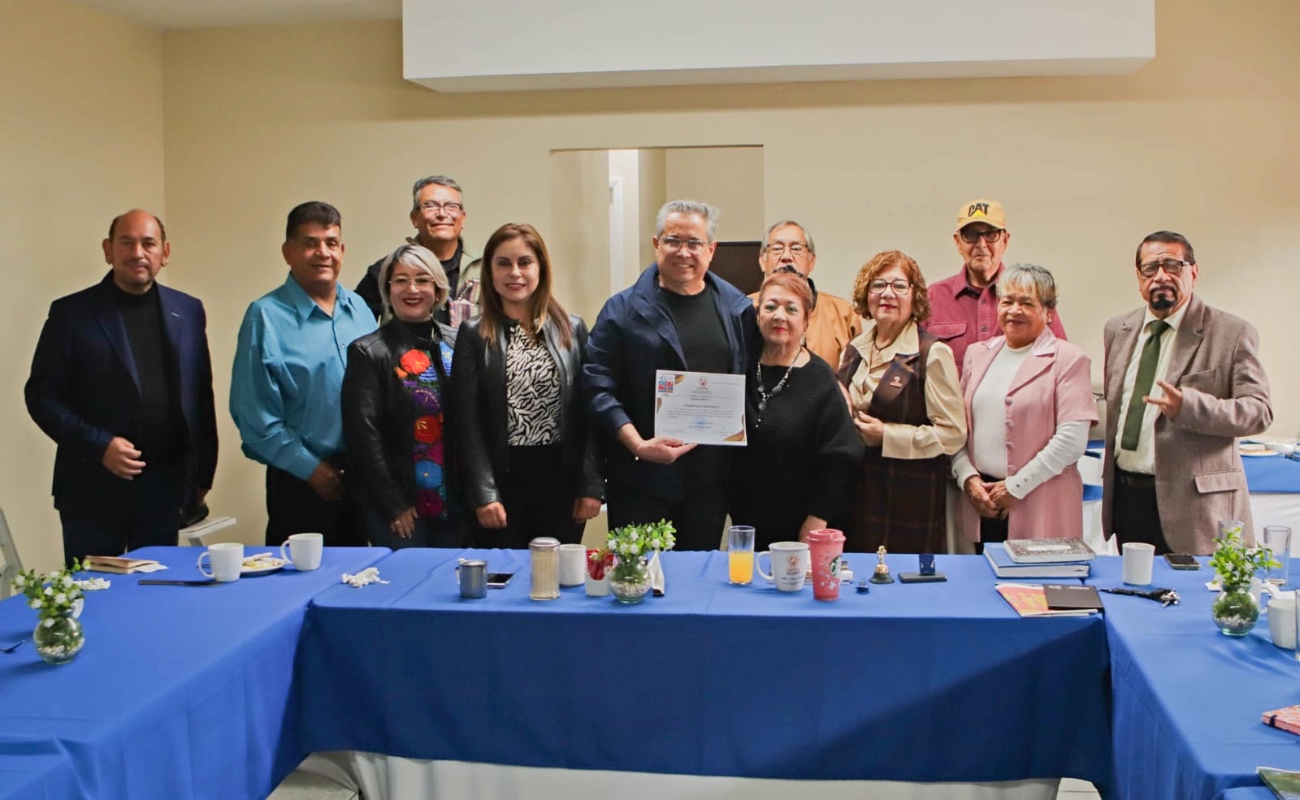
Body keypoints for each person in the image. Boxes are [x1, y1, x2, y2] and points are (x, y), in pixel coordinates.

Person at [25, 210, 218, 564]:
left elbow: (200, 396)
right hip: (92, 491)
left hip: (164, 489)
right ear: (108, 250)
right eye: (126, 243)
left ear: (165, 252)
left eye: (148, 243)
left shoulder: (188, 310)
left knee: (155, 597)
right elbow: (41, 397)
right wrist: (99, 446)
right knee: (97, 598)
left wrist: (203, 474)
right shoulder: (71, 313)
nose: (137, 253)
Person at [584, 199, 756, 551]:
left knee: (697, 580)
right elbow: (597, 387)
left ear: (711, 250)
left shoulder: (737, 308)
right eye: (673, 240)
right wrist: (637, 445)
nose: (683, 252)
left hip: (709, 482)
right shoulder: (621, 310)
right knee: (637, 580)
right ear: (656, 244)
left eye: (694, 243)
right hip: (639, 476)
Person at [1102, 231, 1271, 555]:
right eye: (1150, 268)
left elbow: (1258, 411)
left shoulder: (1231, 332)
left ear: (1193, 271)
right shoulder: (1117, 330)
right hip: (1128, 499)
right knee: (1135, 598)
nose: (1161, 275)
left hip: (1196, 509)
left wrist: (1188, 407)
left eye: (1172, 265)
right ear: (1139, 277)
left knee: (1197, 603)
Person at [231, 202, 377, 546]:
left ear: (342, 250)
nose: (322, 253)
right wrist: (309, 468)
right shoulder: (264, 317)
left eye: (330, 242)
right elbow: (253, 414)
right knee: (296, 587)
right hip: (300, 480)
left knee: (356, 582)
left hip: (361, 477)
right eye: (310, 243)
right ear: (288, 252)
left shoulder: (360, 309)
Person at [452, 224, 603, 548]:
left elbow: (590, 411)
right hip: (501, 485)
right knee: (505, 585)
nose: (515, 272)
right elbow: (466, 422)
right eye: (503, 263)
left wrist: (591, 485)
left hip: (561, 482)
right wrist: (483, 492)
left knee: (560, 584)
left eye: (525, 262)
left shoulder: (572, 328)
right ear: (490, 270)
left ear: (541, 268)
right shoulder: (473, 334)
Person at [951, 264, 1097, 551]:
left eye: (1027, 303)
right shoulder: (977, 355)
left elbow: (1072, 441)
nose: (1014, 310)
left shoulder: (1069, 360)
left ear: (1048, 312)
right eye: (1007, 301)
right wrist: (968, 479)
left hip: (1043, 505)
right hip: (983, 503)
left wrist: (1015, 487)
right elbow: (957, 429)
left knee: (1035, 592)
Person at [838, 250, 965, 554]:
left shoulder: (931, 354)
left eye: (898, 286)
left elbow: (953, 434)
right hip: (856, 492)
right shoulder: (854, 349)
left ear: (915, 296)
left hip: (908, 496)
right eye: (878, 285)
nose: (887, 294)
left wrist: (887, 436)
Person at [342, 245, 464, 549]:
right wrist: (392, 503)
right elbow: (363, 436)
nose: (412, 289)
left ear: (437, 289)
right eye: (401, 280)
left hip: (459, 503)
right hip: (401, 508)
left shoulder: (458, 341)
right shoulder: (368, 352)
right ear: (388, 289)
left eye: (422, 280)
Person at [729, 271, 861, 551]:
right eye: (770, 306)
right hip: (745, 524)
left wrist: (814, 526)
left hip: (803, 529)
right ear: (757, 315)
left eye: (791, 309)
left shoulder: (822, 380)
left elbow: (839, 461)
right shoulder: (738, 366)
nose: (780, 316)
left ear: (806, 321)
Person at [927, 198, 1067, 375]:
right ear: (957, 242)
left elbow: (1061, 364)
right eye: (970, 235)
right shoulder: (933, 298)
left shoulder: (1034, 295)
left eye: (991, 234)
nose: (981, 244)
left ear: (1005, 240)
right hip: (954, 404)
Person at [355, 175, 483, 327]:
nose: (442, 214)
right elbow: (355, 324)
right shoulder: (386, 270)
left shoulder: (487, 269)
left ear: (462, 218)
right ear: (414, 218)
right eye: (430, 206)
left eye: (451, 206)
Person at [750, 220, 860, 368]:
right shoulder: (743, 310)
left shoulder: (843, 313)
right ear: (762, 261)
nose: (786, 257)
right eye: (777, 249)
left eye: (796, 249)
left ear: (811, 260)